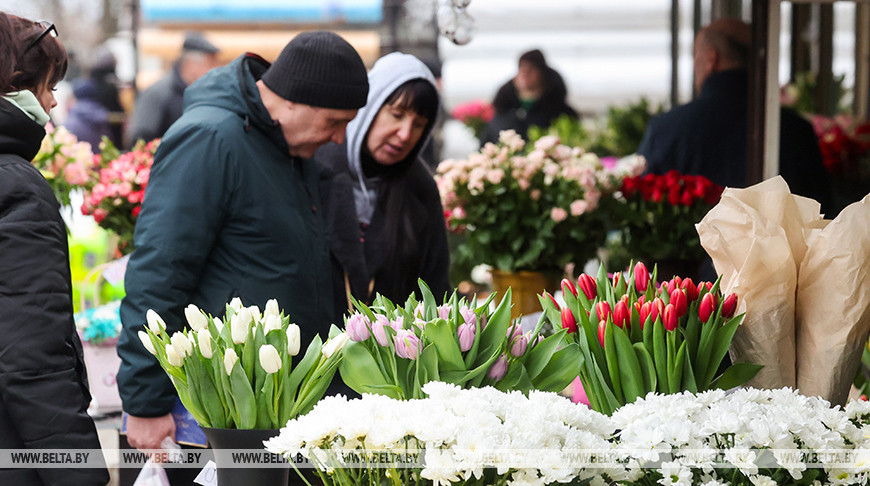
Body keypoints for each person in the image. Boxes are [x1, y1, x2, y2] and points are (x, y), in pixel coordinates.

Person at [116, 30, 369, 477]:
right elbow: (159, 271)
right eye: (334, 121)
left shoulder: (286, 145)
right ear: (292, 100)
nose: (338, 138)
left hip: (276, 408)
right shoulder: (210, 138)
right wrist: (145, 402)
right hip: (223, 415)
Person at [0, 13, 109, 486]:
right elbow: (32, 356)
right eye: (48, 86)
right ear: (16, 86)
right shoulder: (16, 185)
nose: (53, 101)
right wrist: (79, 472)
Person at [637, 18, 832, 214]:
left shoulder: (666, 129)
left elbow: (643, 208)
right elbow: (821, 213)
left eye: (696, 56)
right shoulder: (796, 131)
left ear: (711, 58)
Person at [315, 52, 451, 326]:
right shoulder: (316, 166)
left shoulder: (420, 189)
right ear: (370, 106)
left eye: (419, 125)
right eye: (397, 115)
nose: (405, 134)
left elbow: (436, 291)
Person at [125, 32, 221, 147]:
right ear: (191, 64)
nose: (215, 70)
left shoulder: (202, 94)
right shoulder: (158, 94)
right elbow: (140, 137)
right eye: (210, 64)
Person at [479, 48, 578, 146]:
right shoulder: (503, 111)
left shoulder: (559, 112)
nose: (525, 73)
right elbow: (486, 142)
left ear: (542, 74)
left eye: (531, 69)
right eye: (522, 68)